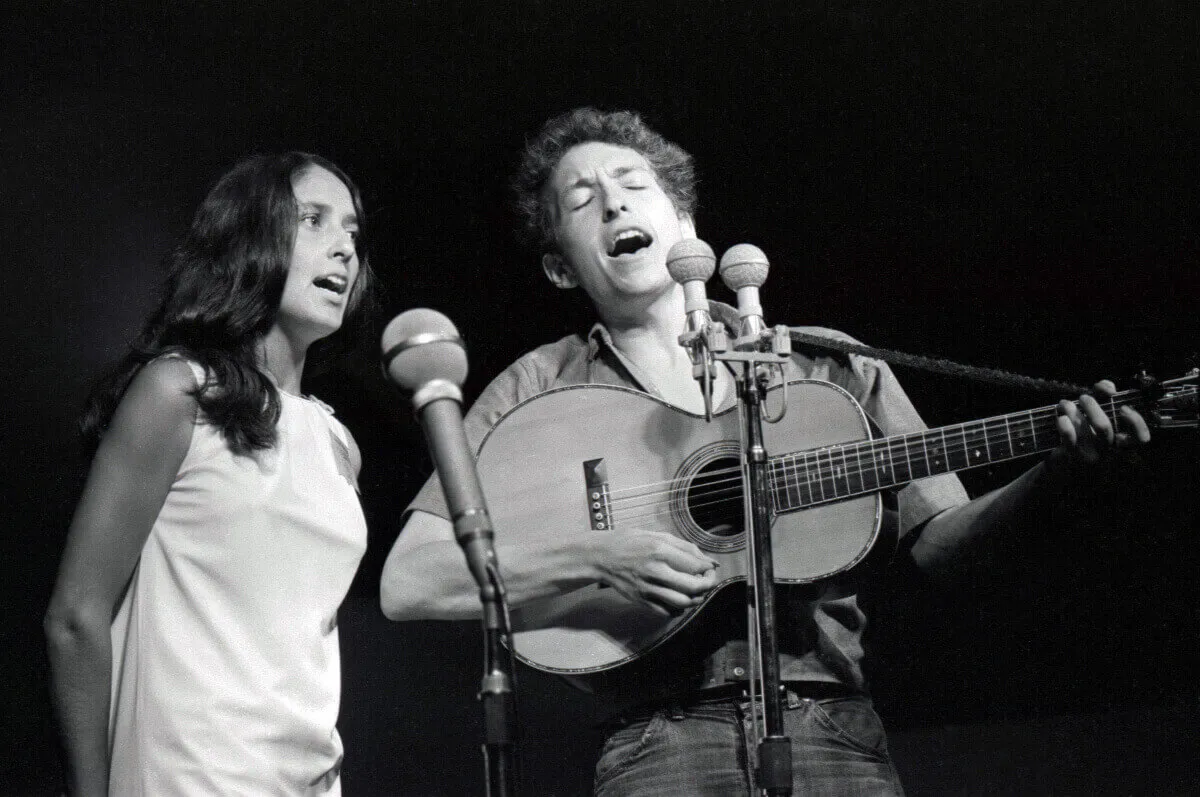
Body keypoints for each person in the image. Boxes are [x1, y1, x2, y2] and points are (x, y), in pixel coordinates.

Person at [379, 108, 1150, 795]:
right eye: (580, 200)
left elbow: (939, 543)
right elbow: (411, 578)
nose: (613, 201)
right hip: (656, 744)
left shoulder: (827, 368)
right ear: (559, 265)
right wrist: (594, 560)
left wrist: (1055, 468)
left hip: (833, 732)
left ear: (683, 219)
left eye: (633, 184)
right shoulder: (538, 388)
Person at [44, 152, 377, 796]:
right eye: (314, 220)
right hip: (192, 775)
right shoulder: (179, 392)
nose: (344, 248)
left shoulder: (338, 441)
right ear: (248, 238)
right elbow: (77, 616)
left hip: (311, 780)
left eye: (354, 234)